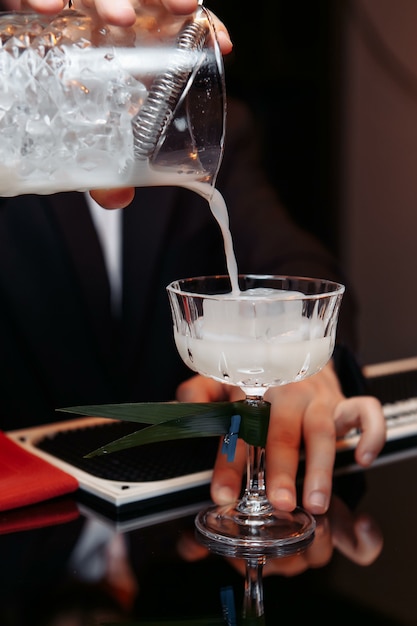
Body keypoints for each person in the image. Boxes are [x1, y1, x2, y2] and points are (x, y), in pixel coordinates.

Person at [0, 0, 386, 517]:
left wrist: (310, 368)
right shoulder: (16, 110)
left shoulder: (192, 120)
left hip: (166, 524)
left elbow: (292, 256)